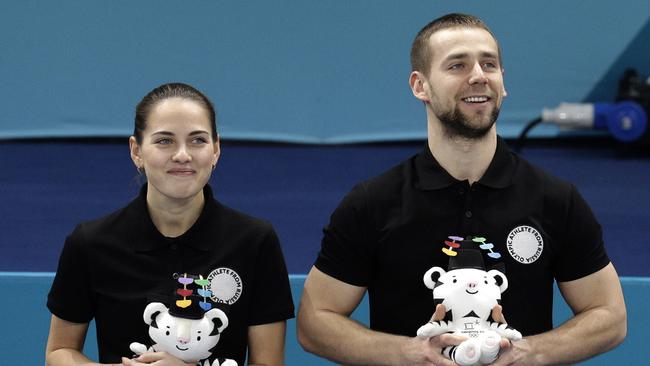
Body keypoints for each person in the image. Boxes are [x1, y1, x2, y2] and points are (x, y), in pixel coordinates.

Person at [297, 13, 627, 365]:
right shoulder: (372, 203)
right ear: (419, 86)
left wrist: (531, 353)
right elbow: (315, 321)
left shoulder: (555, 200)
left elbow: (610, 316)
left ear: (503, 82)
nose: (478, 76)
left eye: (489, 64)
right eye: (457, 65)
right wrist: (408, 354)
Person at [46, 83, 294, 366]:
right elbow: (58, 353)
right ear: (136, 151)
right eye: (165, 140)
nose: (182, 155)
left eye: (198, 140)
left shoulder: (255, 241)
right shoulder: (90, 243)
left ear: (216, 150)